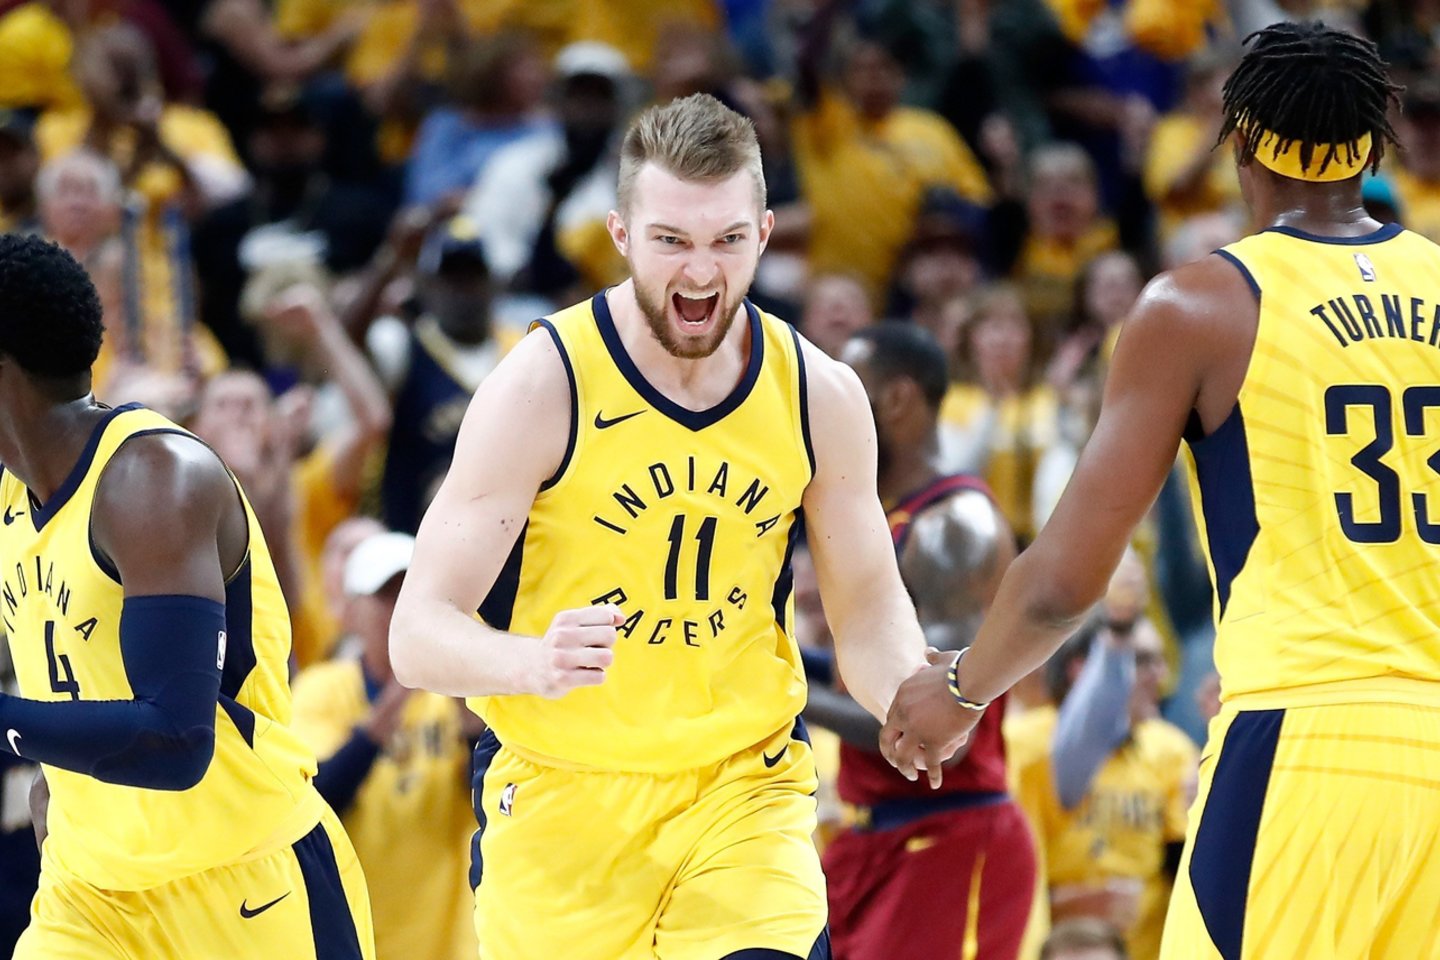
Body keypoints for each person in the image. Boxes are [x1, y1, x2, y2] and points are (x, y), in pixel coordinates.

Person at [883, 22, 1440, 959]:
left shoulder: (1203, 303)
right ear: (1373, 149)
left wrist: (962, 689)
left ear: (1242, 145)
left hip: (1307, 745)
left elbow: (1065, 581)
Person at [390, 92, 934, 960]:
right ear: (620, 235)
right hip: (564, 798)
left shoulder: (818, 393)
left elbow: (867, 607)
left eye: (727, 240)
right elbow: (417, 633)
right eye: (672, 240)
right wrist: (530, 662)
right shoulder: (543, 383)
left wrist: (907, 691)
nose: (701, 272)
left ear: (765, 235)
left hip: (741, 790)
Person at [0, 233, 374, 957]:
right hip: (90, 895)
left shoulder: (153, 480)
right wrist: (63, 788)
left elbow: (175, 742)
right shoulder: (13, 498)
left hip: (243, 887)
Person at [810, 324, 1035, 960]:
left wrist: (787, 692)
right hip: (873, 837)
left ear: (897, 399)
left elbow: (937, 731)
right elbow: (871, 675)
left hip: (948, 834)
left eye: (848, 392)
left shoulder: (951, 528)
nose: (826, 415)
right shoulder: (882, 516)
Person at [291, 530, 479, 960]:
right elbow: (316, 801)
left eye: (409, 594)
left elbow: (486, 794)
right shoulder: (322, 690)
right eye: (386, 595)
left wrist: (464, 706)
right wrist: (401, 691)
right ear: (352, 612)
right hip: (355, 932)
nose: (399, 610)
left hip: (444, 940)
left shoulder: (454, 698)